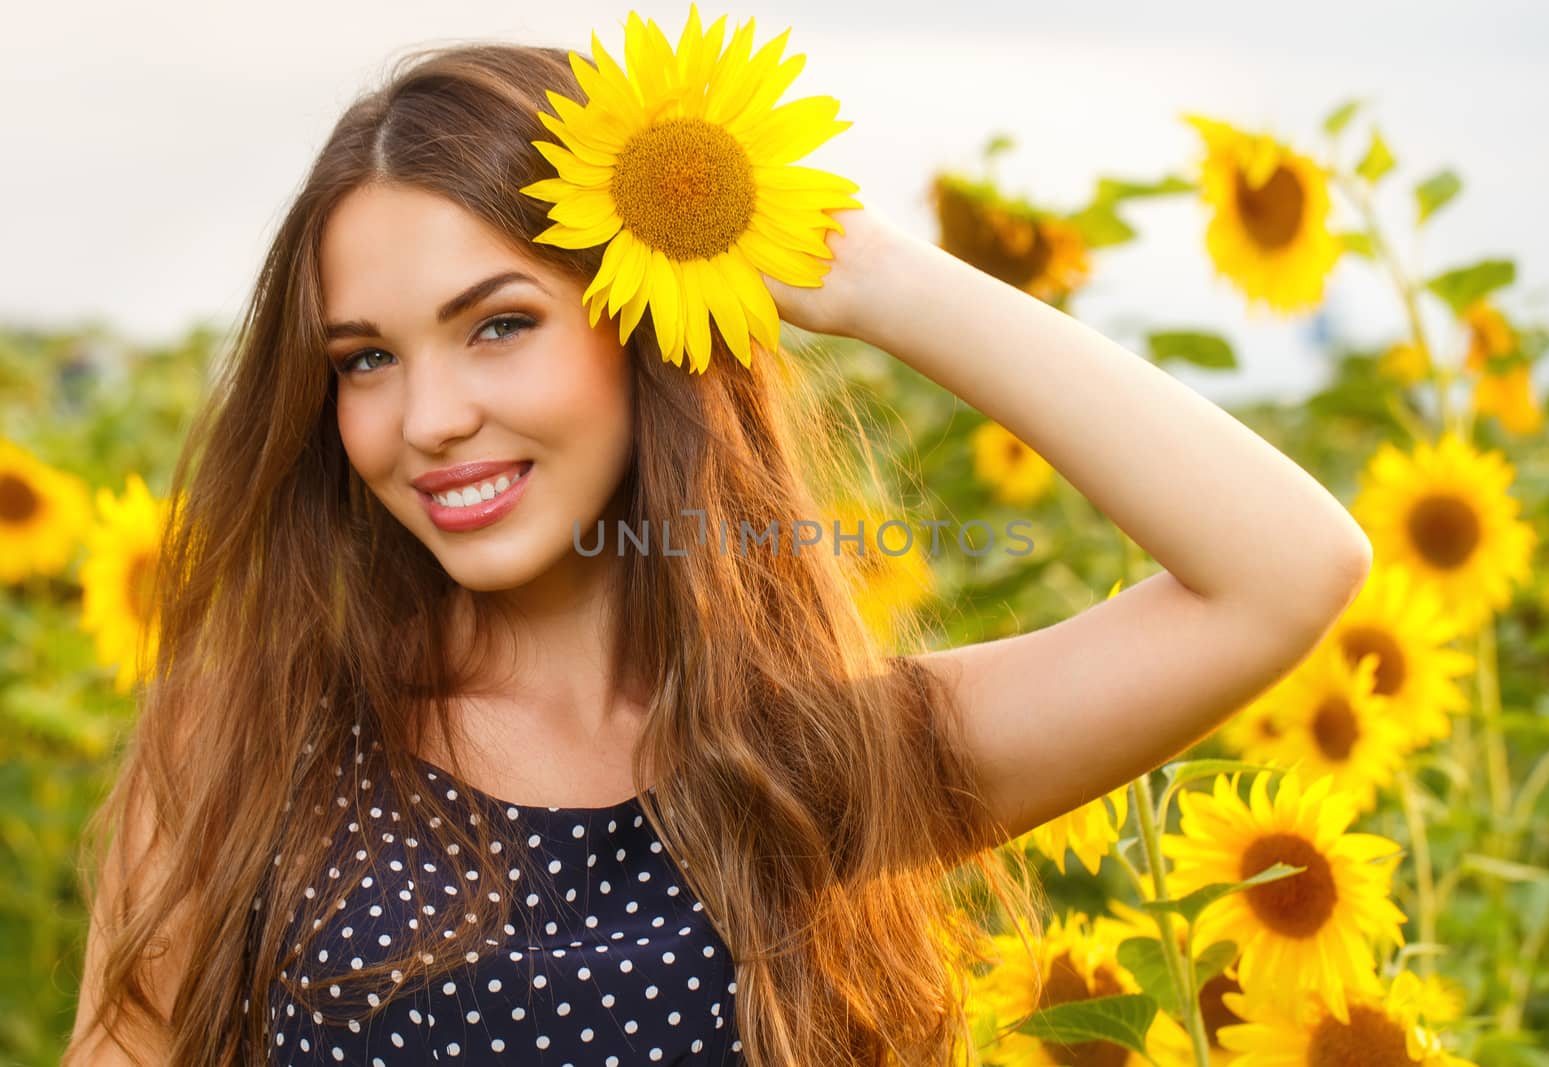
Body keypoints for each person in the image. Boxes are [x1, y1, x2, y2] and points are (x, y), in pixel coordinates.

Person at [64, 30, 1372, 1067]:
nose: (429, 418)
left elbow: (1283, 569)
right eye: (365, 359)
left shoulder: (814, 764)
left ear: (641, 330)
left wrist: (872, 282)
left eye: (499, 324)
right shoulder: (256, 736)